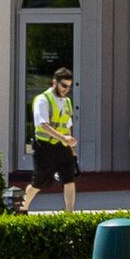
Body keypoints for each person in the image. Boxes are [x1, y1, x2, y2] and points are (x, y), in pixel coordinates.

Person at [27, 66, 81, 213]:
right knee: (37, 183)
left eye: (69, 86)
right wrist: (64, 137)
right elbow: (43, 125)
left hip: (62, 147)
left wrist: (71, 149)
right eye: (63, 85)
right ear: (54, 82)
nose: (66, 89)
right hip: (44, 148)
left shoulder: (67, 102)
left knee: (69, 180)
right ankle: (22, 208)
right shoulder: (42, 100)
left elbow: (67, 125)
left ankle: (70, 214)